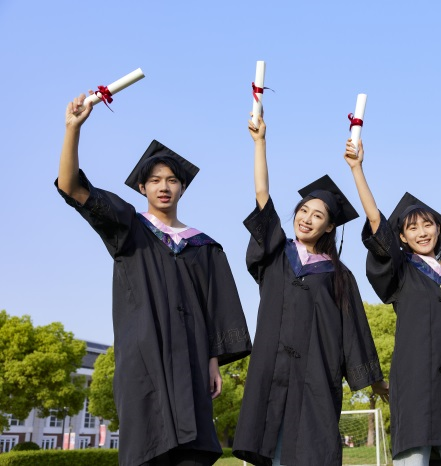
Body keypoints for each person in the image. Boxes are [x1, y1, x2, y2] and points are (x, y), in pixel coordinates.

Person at [56, 94, 252, 466]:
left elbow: (216, 308)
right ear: (142, 188)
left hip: (193, 363)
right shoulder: (128, 226)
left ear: (182, 188)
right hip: (143, 358)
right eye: (155, 180)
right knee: (147, 442)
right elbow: (71, 186)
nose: (164, 186)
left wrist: (213, 362)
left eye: (172, 180)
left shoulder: (204, 246)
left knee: (192, 451)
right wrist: (73, 129)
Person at [232, 113, 388, 466]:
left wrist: (374, 380)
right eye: (303, 210)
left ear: (329, 226)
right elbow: (262, 196)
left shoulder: (338, 275)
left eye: (317, 215)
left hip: (316, 375)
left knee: (309, 452)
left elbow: (355, 330)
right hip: (271, 370)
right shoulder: (276, 254)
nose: (306, 218)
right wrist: (260, 143)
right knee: (269, 446)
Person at [345, 139, 441, 465]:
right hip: (415, 388)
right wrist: (357, 169)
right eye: (412, 227)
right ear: (401, 237)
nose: (422, 231)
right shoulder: (402, 272)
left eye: (428, 224)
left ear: (438, 230)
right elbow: (377, 225)